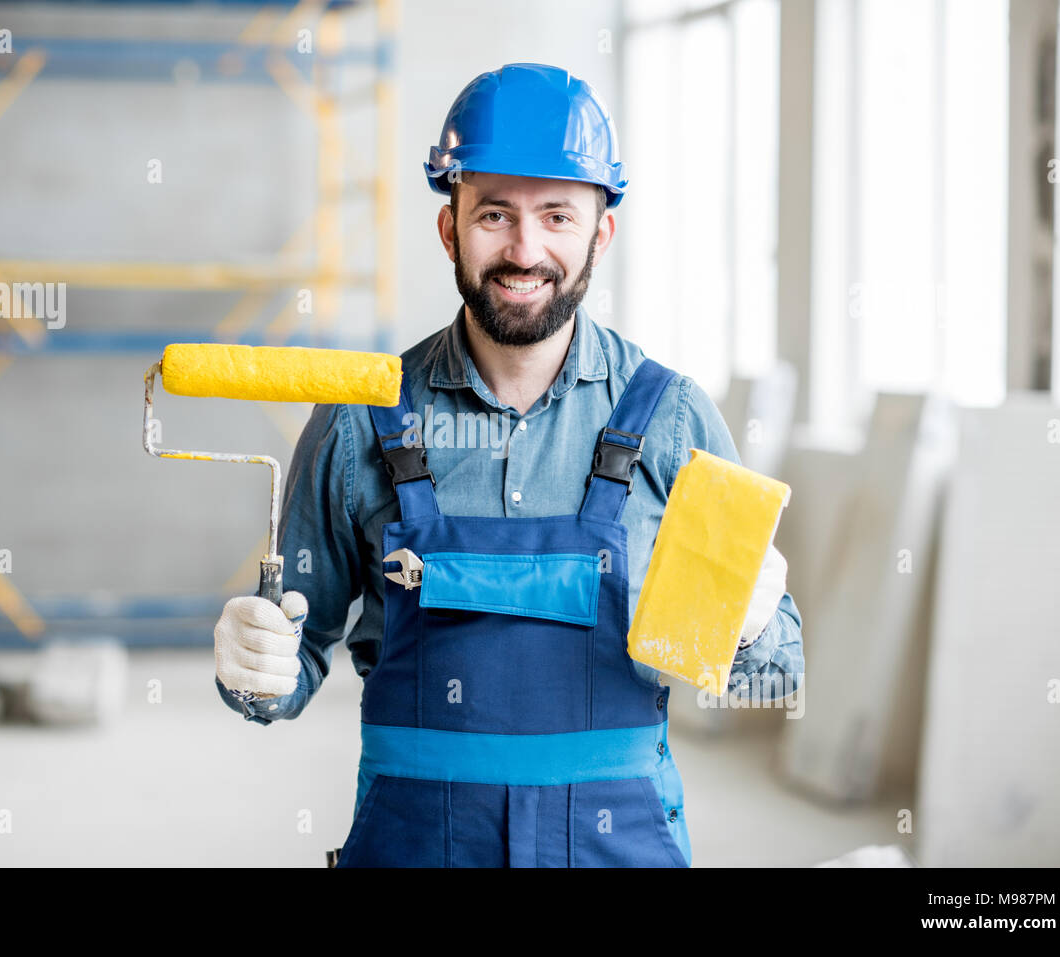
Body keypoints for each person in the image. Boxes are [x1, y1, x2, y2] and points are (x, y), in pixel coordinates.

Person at [212, 62, 804, 867]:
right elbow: (289, 665)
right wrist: (253, 666)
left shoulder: (672, 420)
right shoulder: (360, 419)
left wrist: (760, 627)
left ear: (602, 233)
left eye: (557, 216)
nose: (525, 251)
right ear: (450, 227)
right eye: (495, 214)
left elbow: (764, 682)